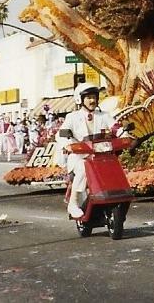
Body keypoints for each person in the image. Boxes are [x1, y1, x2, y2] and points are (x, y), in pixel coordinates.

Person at [57, 83, 116, 219]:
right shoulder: (72, 117)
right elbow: (60, 134)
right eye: (88, 97)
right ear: (80, 99)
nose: (92, 100)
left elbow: (115, 127)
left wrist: (125, 134)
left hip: (100, 156)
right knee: (84, 167)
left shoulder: (104, 115)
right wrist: (67, 145)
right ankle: (73, 203)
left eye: (94, 97)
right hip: (78, 157)